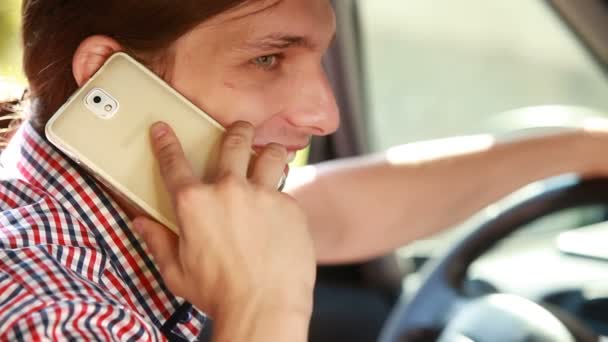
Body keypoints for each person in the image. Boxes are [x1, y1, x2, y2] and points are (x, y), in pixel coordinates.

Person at [2, 0, 608, 341]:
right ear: (108, 72)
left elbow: (336, 214)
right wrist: (264, 308)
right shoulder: (56, 314)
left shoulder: (100, 202)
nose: (325, 113)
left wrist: (586, 148)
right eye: (267, 58)